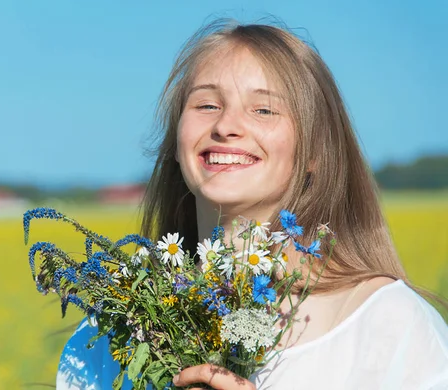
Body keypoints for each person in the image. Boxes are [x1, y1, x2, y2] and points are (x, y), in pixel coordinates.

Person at [56, 19, 448, 389]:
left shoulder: (390, 324)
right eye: (207, 105)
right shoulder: (109, 334)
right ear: (175, 142)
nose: (226, 126)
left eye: (263, 109)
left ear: (315, 151)